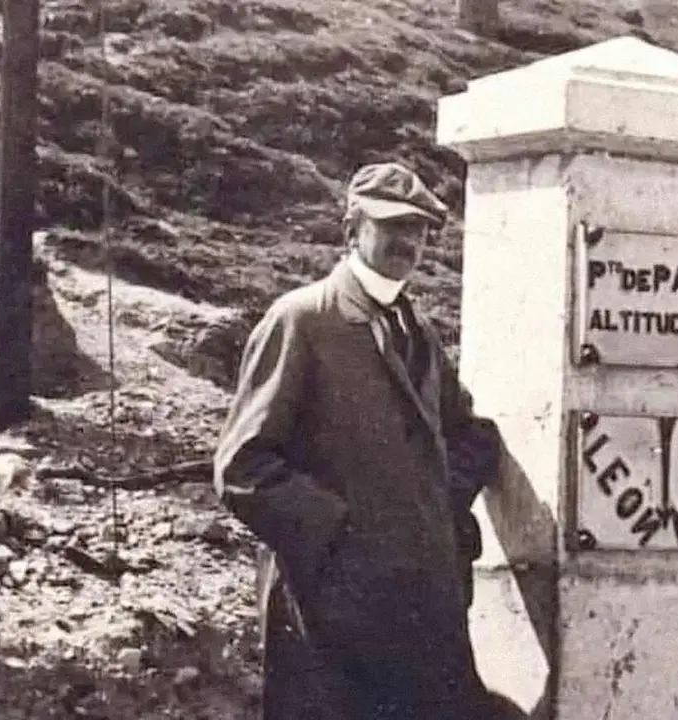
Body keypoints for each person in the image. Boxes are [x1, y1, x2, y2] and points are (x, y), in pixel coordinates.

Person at [213, 162, 501, 719]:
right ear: (350, 231)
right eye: (391, 226)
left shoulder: (414, 329)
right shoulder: (302, 320)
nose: (407, 242)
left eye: (417, 230)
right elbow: (242, 466)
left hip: (422, 604)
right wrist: (341, 534)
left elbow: (469, 433)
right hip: (332, 612)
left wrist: (437, 512)